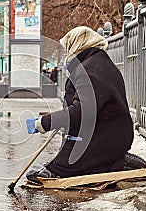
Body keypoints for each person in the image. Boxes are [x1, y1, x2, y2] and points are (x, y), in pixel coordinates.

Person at [26, 26, 135, 183]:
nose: (65, 54)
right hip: (111, 134)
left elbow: (82, 111)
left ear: (77, 45)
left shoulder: (90, 70)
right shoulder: (97, 62)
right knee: (66, 157)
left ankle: (113, 162)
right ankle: (112, 161)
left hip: (105, 137)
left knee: (67, 165)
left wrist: (44, 123)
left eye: (67, 48)